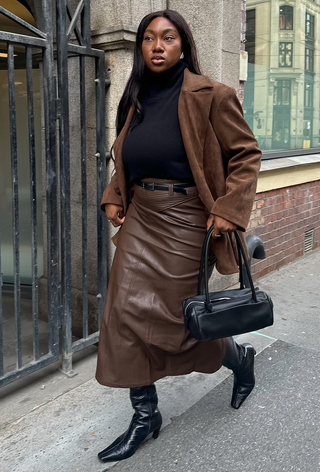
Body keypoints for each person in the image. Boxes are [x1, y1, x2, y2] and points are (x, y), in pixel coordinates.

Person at [96, 9, 261, 463]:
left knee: (181, 320)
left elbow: (246, 155)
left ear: (184, 45)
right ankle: (145, 415)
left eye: (167, 38)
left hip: (191, 219)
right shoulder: (135, 97)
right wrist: (114, 193)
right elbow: (126, 156)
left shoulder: (212, 95)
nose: (156, 45)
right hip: (142, 217)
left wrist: (228, 210)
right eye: (148, 38)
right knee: (123, 312)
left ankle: (238, 356)